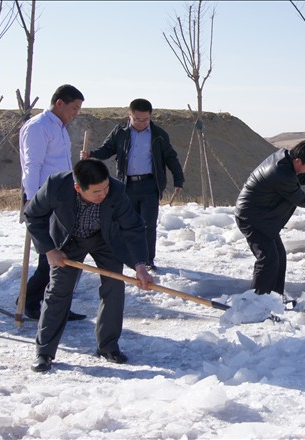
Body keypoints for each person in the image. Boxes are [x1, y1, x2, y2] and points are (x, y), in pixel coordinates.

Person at [24, 159, 153, 372]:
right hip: (68, 241)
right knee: (58, 291)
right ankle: (44, 352)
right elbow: (33, 215)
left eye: (106, 188)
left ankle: (108, 346)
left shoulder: (116, 190)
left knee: (114, 286)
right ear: (78, 188)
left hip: (104, 239)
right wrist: (49, 250)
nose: (104, 194)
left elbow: (133, 228)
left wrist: (140, 266)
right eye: (96, 191)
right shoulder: (56, 186)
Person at [81, 98, 184, 272]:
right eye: (137, 119)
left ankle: (147, 260)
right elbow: (107, 149)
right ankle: (131, 258)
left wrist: (178, 179)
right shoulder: (120, 132)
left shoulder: (158, 134)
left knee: (148, 225)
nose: (142, 123)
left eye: (146, 119)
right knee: (127, 224)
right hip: (126, 185)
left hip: (150, 185)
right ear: (129, 115)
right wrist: (91, 154)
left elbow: (170, 157)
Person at [235, 140, 305, 298]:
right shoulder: (281, 173)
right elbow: (301, 199)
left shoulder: (287, 161)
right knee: (268, 259)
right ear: (298, 161)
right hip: (252, 218)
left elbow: (303, 177)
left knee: (278, 257)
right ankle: (256, 301)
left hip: (263, 218)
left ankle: (274, 298)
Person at [18, 84, 86, 321]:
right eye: (74, 108)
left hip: (62, 198)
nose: (76, 113)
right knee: (50, 254)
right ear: (59, 103)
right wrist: (31, 199)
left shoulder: (60, 128)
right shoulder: (38, 127)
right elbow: (32, 164)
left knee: (64, 253)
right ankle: (30, 301)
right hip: (42, 198)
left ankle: (57, 304)